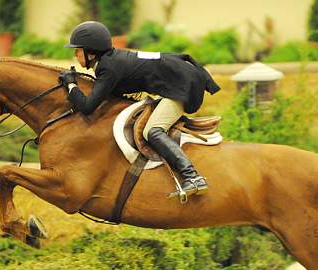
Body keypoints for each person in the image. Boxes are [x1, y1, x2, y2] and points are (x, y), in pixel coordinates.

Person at [59, 21, 221, 200]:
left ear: (91, 52)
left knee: (152, 131)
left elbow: (87, 107)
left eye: (77, 50)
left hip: (181, 86)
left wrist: (71, 84)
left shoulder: (108, 67)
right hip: (178, 80)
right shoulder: (110, 61)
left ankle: (193, 176)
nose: (74, 54)